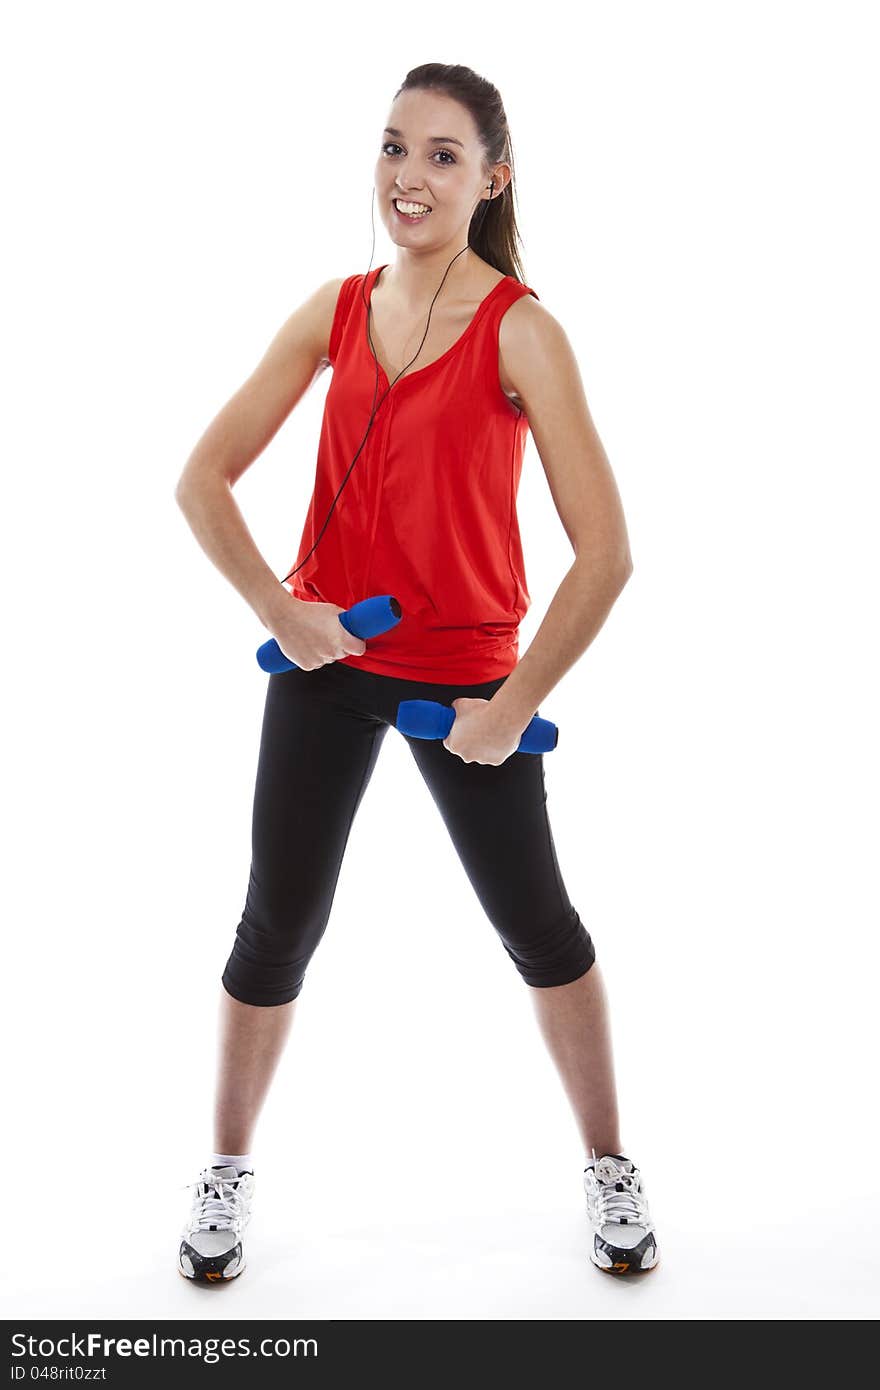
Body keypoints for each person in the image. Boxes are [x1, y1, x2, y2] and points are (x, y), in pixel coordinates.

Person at [173, 63, 659, 1284]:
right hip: (330, 661)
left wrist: (514, 704)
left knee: (537, 926)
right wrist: (282, 609)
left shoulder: (524, 329)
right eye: (395, 146)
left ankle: (609, 1162)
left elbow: (606, 554)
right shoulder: (333, 310)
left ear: (492, 178)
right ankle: (225, 1171)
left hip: (462, 684)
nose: (409, 175)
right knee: (275, 923)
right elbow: (202, 478)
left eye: (444, 155)